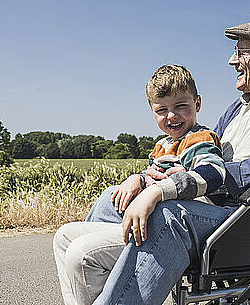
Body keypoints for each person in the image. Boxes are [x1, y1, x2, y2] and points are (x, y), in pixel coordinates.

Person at [54, 20, 250, 305]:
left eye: (242, 52)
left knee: (169, 216)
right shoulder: (236, 108)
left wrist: (221, 176)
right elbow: (199, 153)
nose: (232, 60)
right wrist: (148, 178)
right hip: (214, 207)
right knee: (102, 208)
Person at [54, 64, 227, 305]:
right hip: (152, 215)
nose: (171, 116)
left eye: (180, 106)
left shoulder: (200, 139)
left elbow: (214, 173)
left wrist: (163, 187)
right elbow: (154, 174)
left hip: (184, 222)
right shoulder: (161, 146)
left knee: (81, 254)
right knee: (65, 236)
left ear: (197, 104)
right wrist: (140, 179)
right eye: (162, 109)